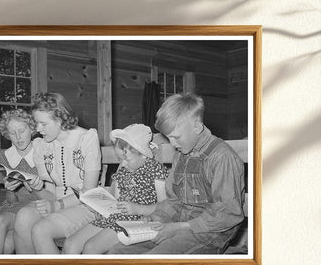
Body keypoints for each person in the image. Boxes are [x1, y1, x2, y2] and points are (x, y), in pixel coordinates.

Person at [109, 93, 245, 255]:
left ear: (197, 127)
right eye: (168, 138)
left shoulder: (221, 157)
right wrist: (155, 217)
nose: (172, 143)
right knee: (118, 252)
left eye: (176, 137)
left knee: (152, 262)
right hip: (178, 223)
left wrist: (179, 227)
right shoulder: (181, 155)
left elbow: (228, 213)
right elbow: (173, 201)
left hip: (209, 234)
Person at [13, 92, 101, 254]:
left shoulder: (86, 139)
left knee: (40, 229)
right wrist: (35, 186)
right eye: (36, 123)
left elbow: (89, 192)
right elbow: (50, 195)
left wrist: (57, 205)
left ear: (60, 120)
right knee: (22, 217)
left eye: (43, 124)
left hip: (86, 206)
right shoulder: (42, 145)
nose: (38, 130)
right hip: (57, 204)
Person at [64, 124, 169, 255]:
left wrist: (137, 208)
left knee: (91, 248)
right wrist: (102, 209)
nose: (123, 164)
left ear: (143, 154)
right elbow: (116, 200)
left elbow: (165, 207)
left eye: (127, 159)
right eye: (120, 159)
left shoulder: (155, 171)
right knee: (70, 244)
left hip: (138, 221)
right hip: (116, 217)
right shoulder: (123, 171)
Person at [0, 109, 54, 254]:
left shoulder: (42, 151)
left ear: (31, 129)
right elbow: (12, 201)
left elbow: (48, 196)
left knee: (6, 244)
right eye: (12, 133)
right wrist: (9, 189)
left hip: (36, 206)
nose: (18, 137)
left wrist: (33, 187)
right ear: (7, 135)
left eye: (22, 130)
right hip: (14, 207)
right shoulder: (7, 156)